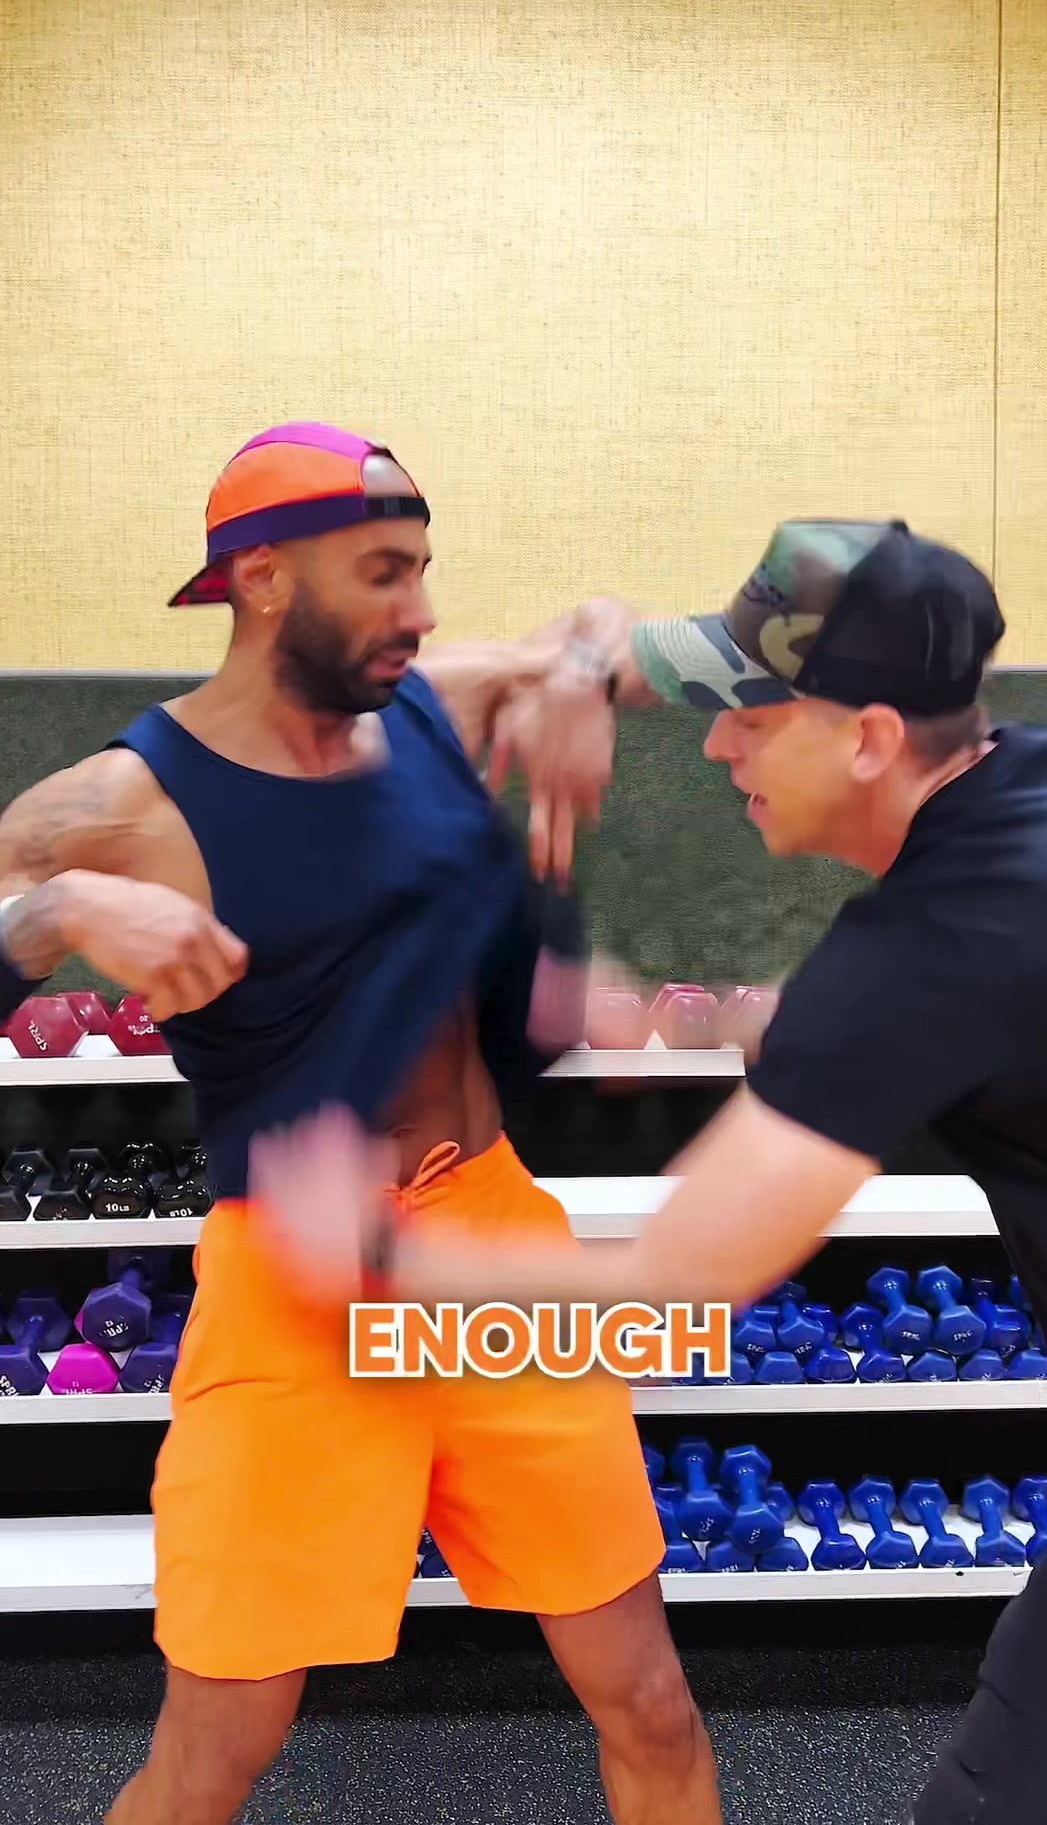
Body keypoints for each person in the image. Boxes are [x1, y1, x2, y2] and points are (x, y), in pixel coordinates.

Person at [261, 516, 1047, 1824]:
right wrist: (580, 676)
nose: (712, 745)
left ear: (869, 738)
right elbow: (600, 640)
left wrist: (367, 1250)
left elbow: (667, 1287)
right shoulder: (1041, 780)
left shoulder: (927, 953)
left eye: (750, 717)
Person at [0, 422, 725, 1825]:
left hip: (493, 1243)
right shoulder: (125, 801)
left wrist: (580, 673)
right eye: (385, 573)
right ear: (263, 578)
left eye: (424, 569)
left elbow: (605, 629)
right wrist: (61, 911)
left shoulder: (435, 711)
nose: (425, 609)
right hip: (295, 1285)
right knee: (215, 1752)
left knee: (649, 1699)